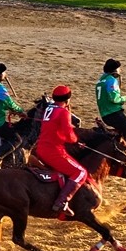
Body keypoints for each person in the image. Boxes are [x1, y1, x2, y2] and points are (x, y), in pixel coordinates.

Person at [37, 85, 89, 219]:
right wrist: (76, 140)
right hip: (53, 151)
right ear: (68, 99)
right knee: (81, 172)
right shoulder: (63, 112)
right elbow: (69, 135)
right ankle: (62, 202)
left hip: (41, 148)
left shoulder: (49, 108)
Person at [95, 58, 126, 162]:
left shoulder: (100, 80)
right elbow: (114, 98)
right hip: (114, 114)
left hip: (105, 115)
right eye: (119, 69)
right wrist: (124, 98)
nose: (120, 71)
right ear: (115, 70)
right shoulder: (111, 80)